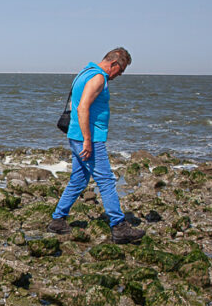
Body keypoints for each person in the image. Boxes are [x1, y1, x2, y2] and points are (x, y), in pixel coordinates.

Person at [48, 47, 145, 244]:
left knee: (79, 179)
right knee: (106, 180)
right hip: (89, 137)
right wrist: (87, 140)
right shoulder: (99, 78)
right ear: (114, 64)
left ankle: (58, 220)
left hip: (76, 135)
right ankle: (119, 226)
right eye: (121, 70)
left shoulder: (85, 72)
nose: (119, 75)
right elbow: (83, 107)